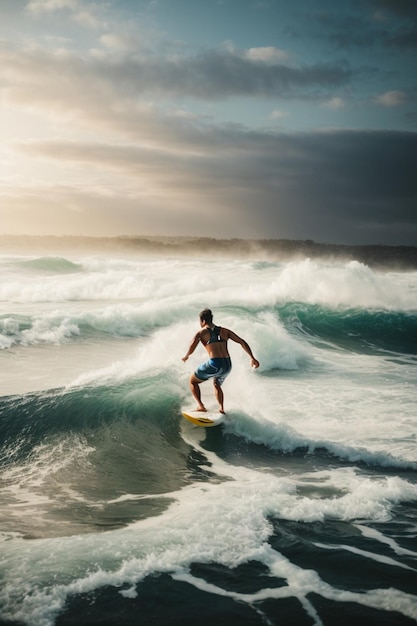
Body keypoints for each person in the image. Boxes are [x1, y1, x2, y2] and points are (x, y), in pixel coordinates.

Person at [182, 308, 260, 414]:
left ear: (203, 321)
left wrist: (186, 356)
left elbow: (192, 345)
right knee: (216, 384)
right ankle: (221, 408)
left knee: (192, 381)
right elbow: (242, 342)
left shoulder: (201, 332)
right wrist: (252, 358)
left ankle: (201, 406)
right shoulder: (225, 331)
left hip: (215, 364)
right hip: (227, 365)